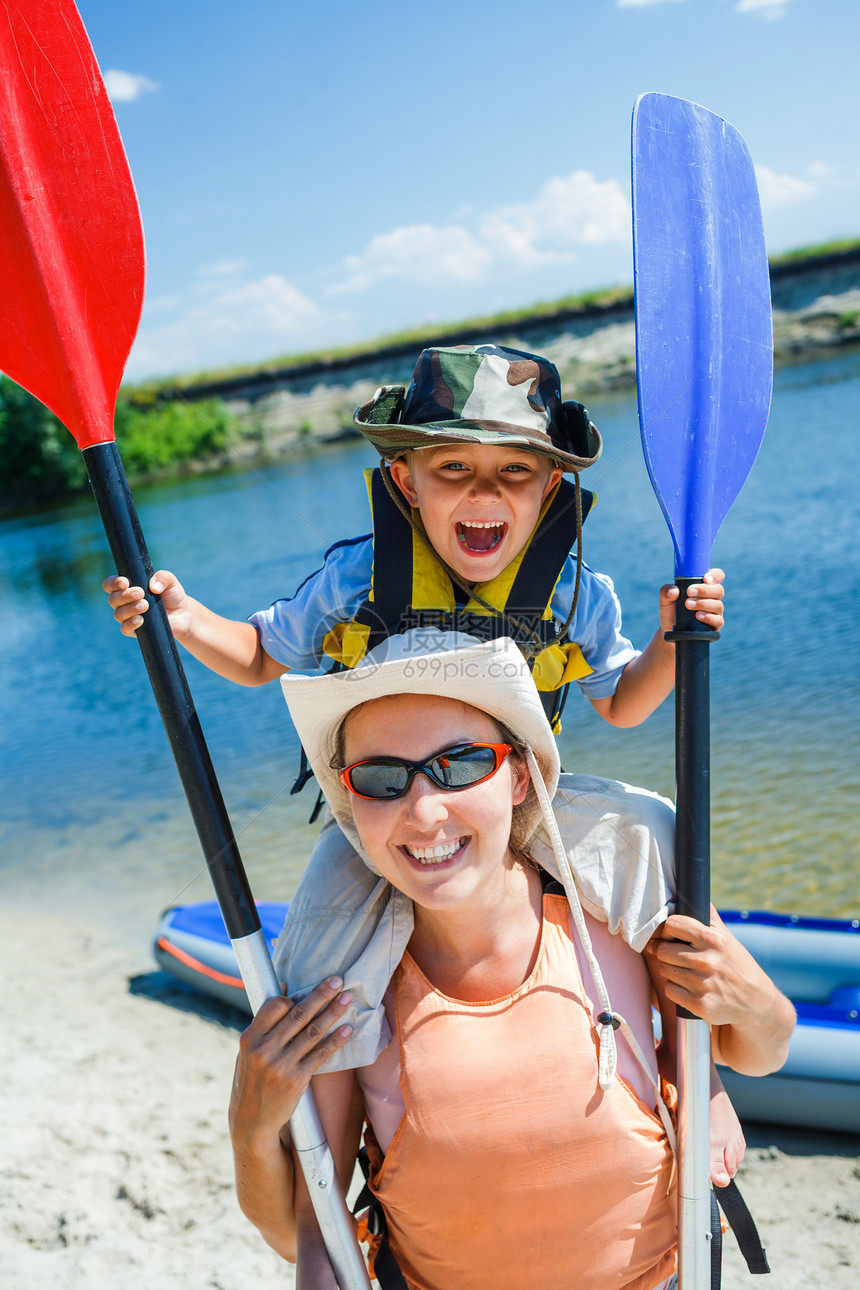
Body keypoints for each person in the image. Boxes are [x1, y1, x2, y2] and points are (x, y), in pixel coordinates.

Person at [102, 343, 725, 1055]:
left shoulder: (576, 591)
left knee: (652, 826)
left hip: (521, 803)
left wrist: (675, 639)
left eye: (514, 472)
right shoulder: (359, 577)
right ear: (406, 479)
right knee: (320, 923)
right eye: (453, 468)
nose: (483, 493)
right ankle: (325, 1102)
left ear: (550, 486)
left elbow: (622, 703)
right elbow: (259, 657)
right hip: (389, 812)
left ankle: (693, 1063)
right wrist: (181, 616)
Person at [228, 631, 795, 1289]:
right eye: (382, 779)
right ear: (351, 802)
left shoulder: (616, 909)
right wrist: (249, 1122)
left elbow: (761, 1050)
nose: (424, 810)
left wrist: (760, 1004)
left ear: (520, 775)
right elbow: (310, 1233)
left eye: (462, 763)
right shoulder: (347, 979)